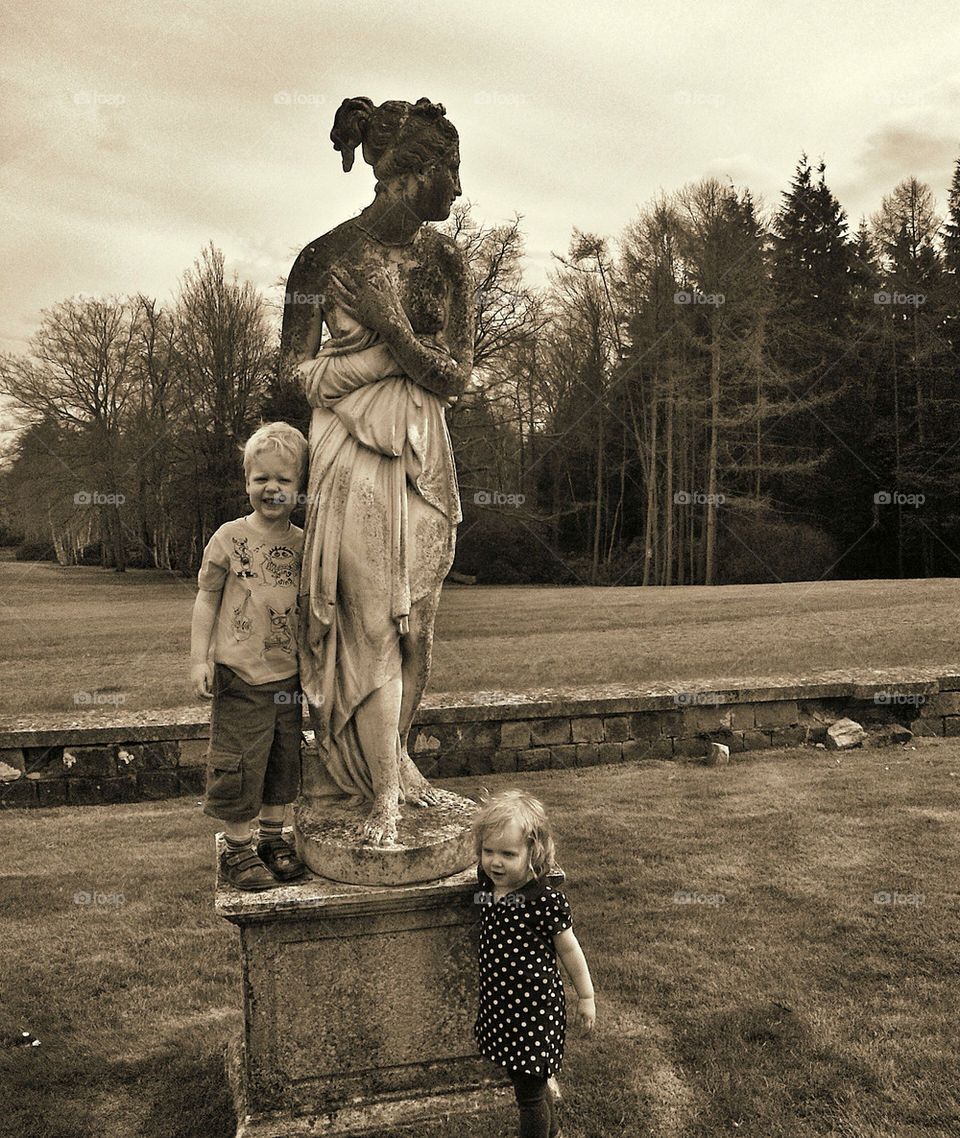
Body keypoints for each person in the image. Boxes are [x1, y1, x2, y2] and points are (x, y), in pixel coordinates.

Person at [279, 97, 474, 845]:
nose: (459, 187)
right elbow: (291, 373)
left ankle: (393, 764)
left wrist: (391, 329)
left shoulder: (445, 261)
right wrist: (380, 362)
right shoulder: (321, 258)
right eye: (452, 169)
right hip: (350, 454)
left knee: (416, 626)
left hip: (423, 453)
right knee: (367, 621)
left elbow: (456, 377)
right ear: (412, 173)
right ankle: (376, 795)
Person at [190, 421, 310, 891]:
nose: (272, 488)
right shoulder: (228, 537)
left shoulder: (306, 544)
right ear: (246, 482)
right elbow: (206, 599)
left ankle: (271, 840)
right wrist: (199, 659)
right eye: (261, 478)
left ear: (300, 486)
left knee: (282, 760)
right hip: (239, 676)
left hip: (288, 678)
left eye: (284, 479)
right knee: (238, 763)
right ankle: (236, 849)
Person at [472, 789, 597, 1138]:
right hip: (503, 1008)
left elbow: (570, 951)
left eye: (508, 854)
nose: (495, 862)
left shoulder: (544, 902)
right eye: (488, 851)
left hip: (535, 1013)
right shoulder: (489, 887)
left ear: (534, 852)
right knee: (533, 1085)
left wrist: (586, 996)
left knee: (529, 1096)